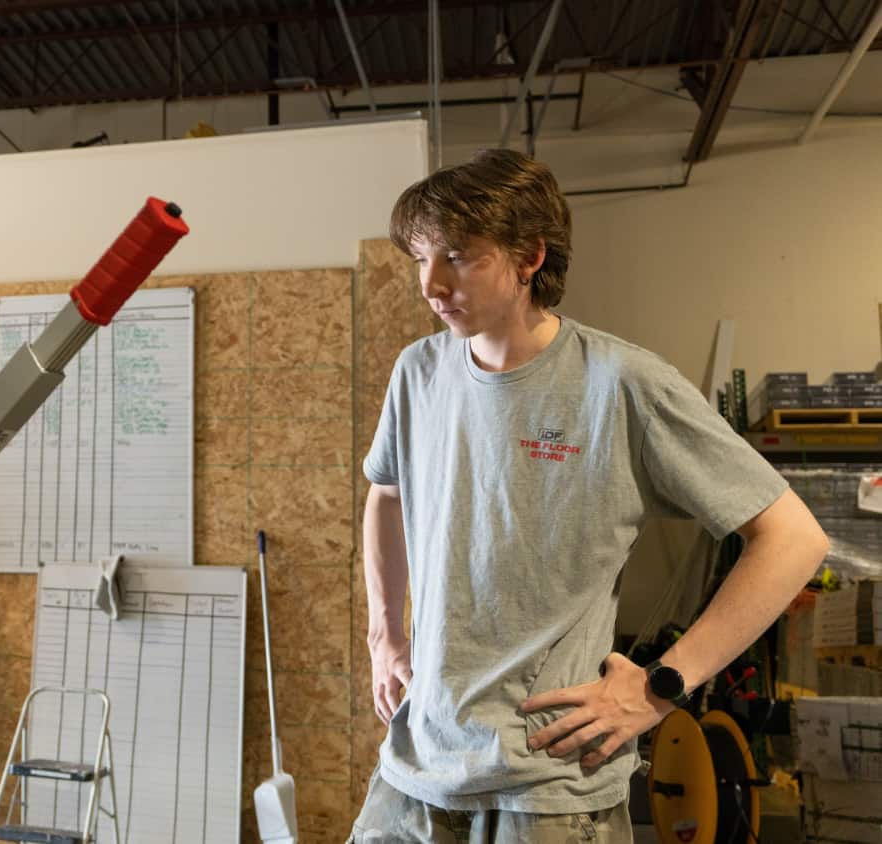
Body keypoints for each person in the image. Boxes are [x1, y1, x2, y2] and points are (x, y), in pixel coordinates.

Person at [350, 148, 828, 842]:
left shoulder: (622, 383)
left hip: (549, 787)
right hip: (415, 769)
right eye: (421, 257)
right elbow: (385, 494)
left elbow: (793, 538)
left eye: (458, 256)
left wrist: (662, 686)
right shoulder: (417, 373)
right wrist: (384, 634)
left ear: (529, 257)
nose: (430, 283)